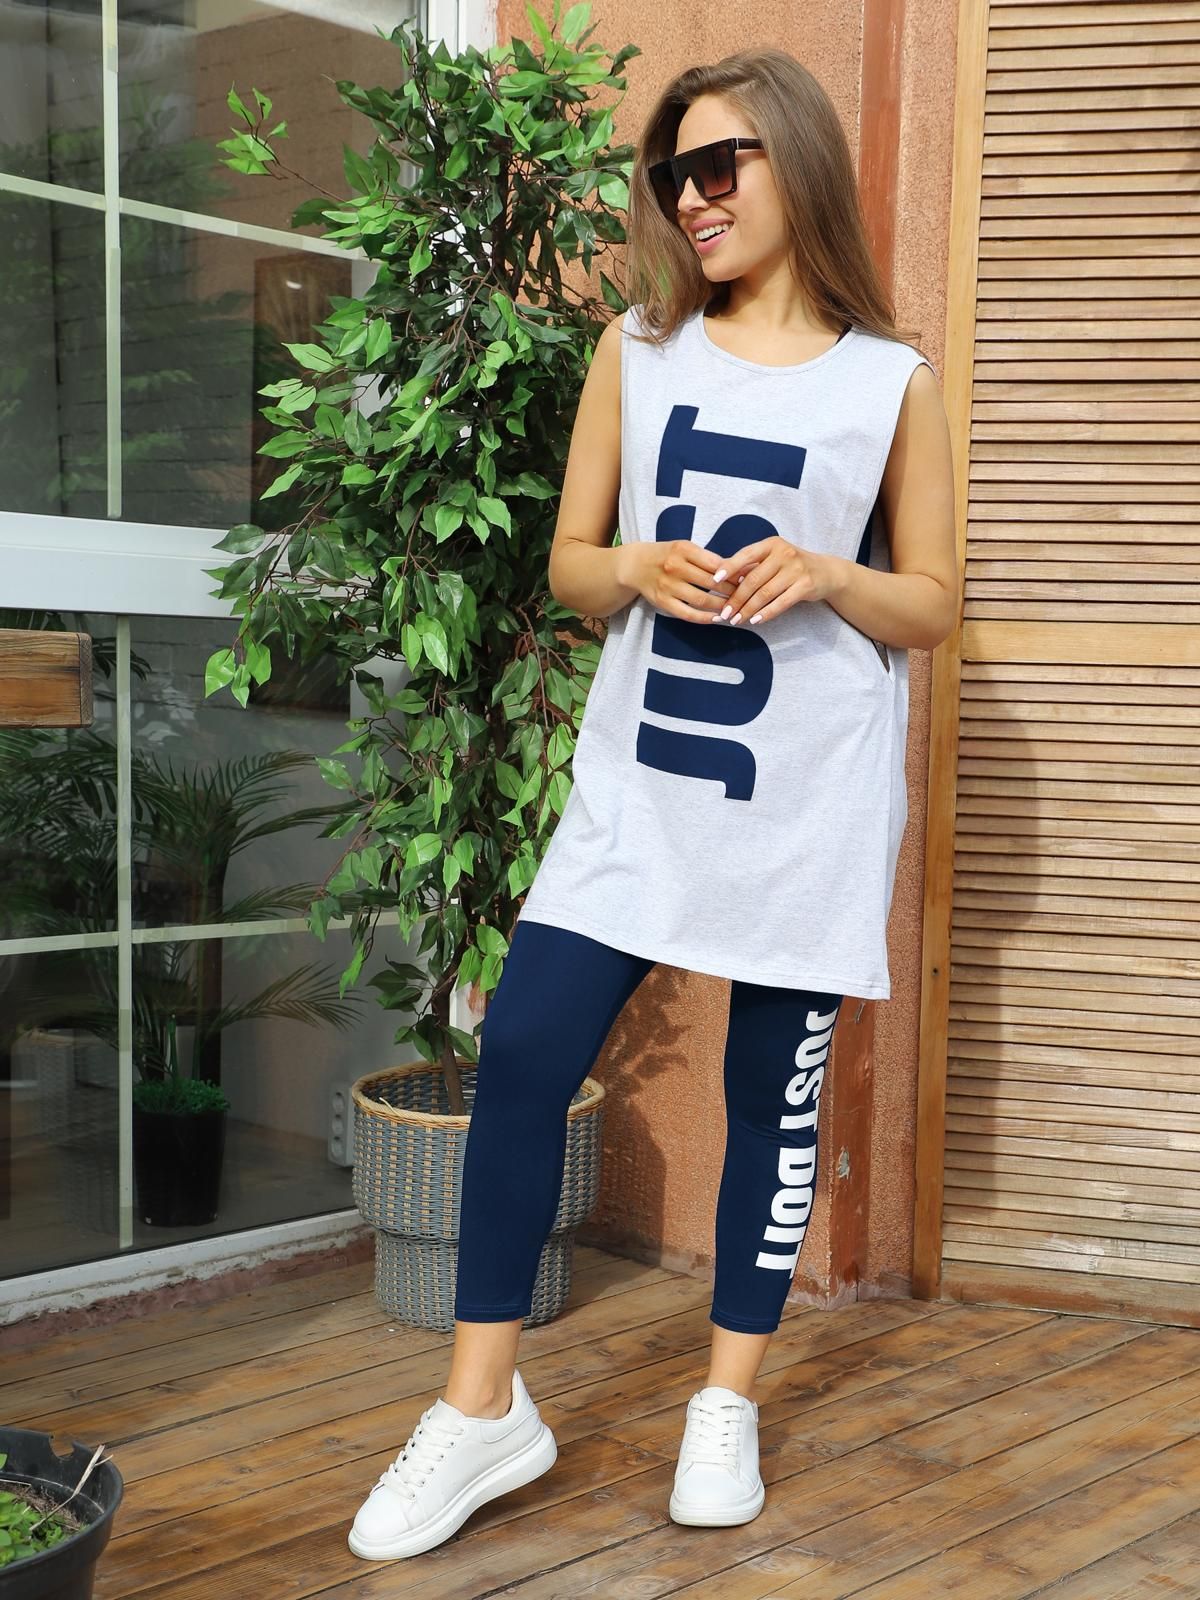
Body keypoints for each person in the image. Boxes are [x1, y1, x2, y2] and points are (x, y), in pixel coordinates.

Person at [348, 44, 957, 1564]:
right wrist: (632, 566)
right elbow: (571, 562)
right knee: (523, 1055)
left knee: (772, 1103)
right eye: (674, 173)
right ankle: (483, 1407)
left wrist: (828, 573)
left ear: (797, 163)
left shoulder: (890, 382)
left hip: (806, 807)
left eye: (720, 164)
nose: (692, 197)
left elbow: (936, 603)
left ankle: (725, 1401)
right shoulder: (640, 350)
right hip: (641, 796)